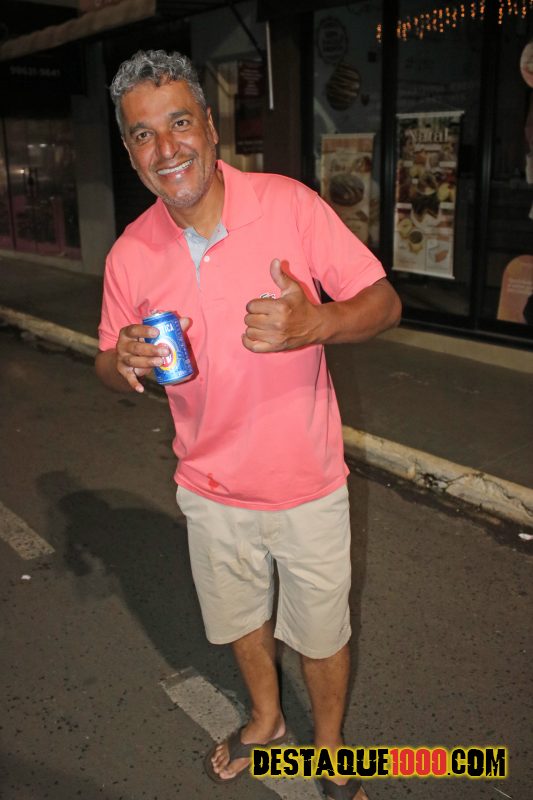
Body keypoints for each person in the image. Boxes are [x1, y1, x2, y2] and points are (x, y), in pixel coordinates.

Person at [96, 49, 402, 800]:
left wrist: (318, 323)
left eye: (178, 123)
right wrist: (121, 359)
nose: (166, 149)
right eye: (143, 134)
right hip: (209, 488)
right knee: (239, 621)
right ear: (130, 152)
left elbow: (383, 303)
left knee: (322, 634)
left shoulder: (288, 206)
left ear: (210, 125)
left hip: (307, 485)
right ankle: (265, 721)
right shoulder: (130, 253)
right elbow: (105, 359)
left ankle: (328, 749)